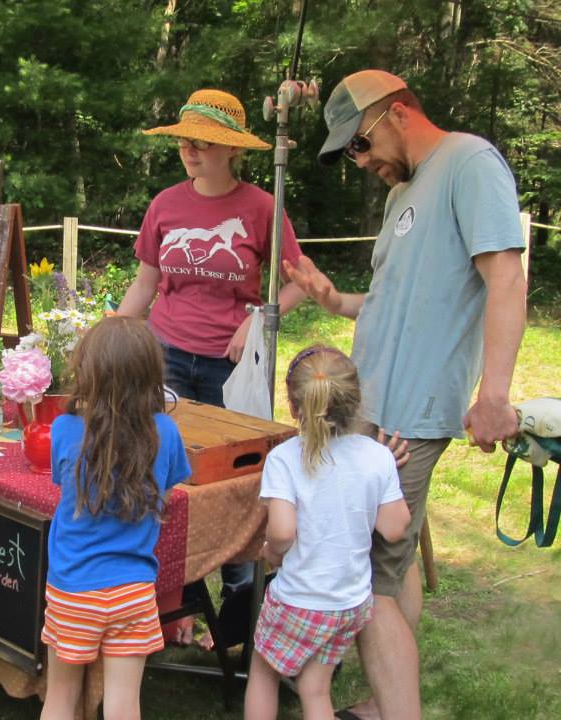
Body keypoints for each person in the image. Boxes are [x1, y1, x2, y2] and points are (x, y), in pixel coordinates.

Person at [284, 69, 527, 720]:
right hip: (371, 402)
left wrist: (494, 395)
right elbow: (399, 298)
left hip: (412, 411)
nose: (360, 162)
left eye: (360, 144)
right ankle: (379, 699)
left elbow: (504, 278)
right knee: (396, 555)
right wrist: (338, 302)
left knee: (371, 573)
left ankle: (396, 710)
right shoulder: (403, 195)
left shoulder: (470, 162)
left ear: (396, 112)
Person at [117, 87, 307, 643]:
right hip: (167, 357)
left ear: (231, 151)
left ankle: (238, 608)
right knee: (166, 477)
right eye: (184, 143)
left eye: (203, 144)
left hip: (233, 368)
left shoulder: (262, 208)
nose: (191, 153)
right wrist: (109, 332)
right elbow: (146, 283)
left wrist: (258, 320)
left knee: (236, 479)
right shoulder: (166, 205)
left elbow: (299, 281)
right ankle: (169, 605)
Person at [243, 345, 411, 720]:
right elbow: (395, 527)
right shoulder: (377, 456)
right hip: (349, 604)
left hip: (300, 600)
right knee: (314, 688)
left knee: (264, 672)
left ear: (294, 407)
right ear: (355, 400)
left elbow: (283, 532)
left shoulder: (284, 459)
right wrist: (385, 475)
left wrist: (270, 551)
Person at [39, 315, 192, 720]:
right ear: (150, 374)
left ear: (87, 370)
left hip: (73, 586)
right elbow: (170, 487)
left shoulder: (64, 429)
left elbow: (61, 479)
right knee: (125, 704)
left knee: (60, 697)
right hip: (133, 589)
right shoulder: (166, 432)